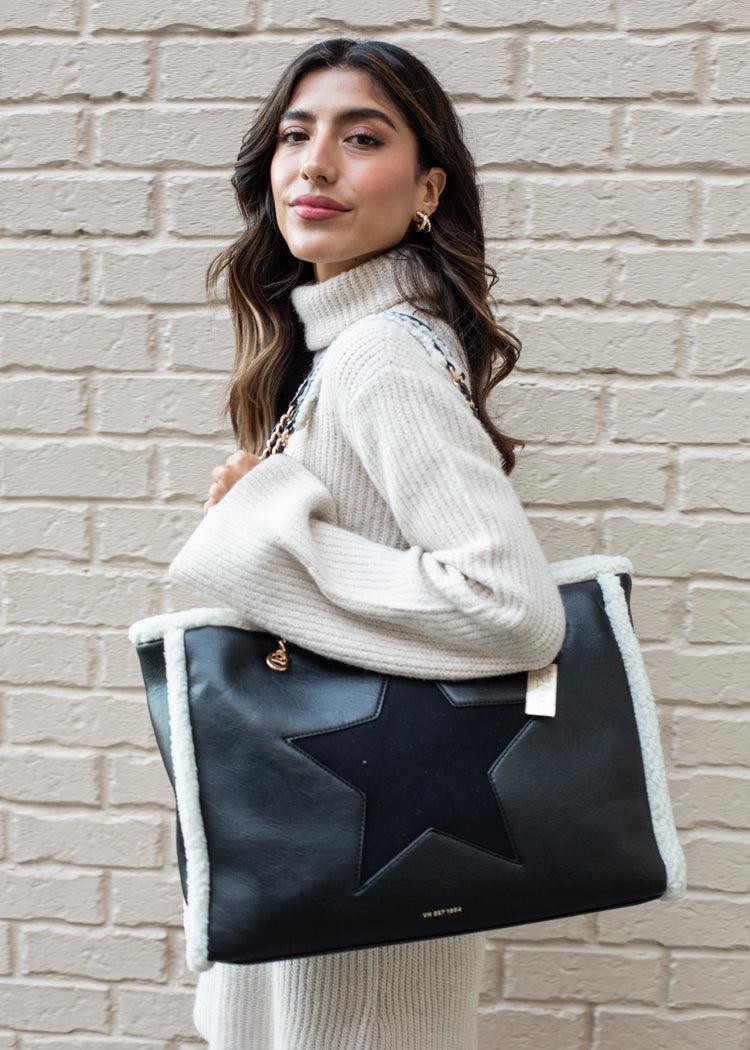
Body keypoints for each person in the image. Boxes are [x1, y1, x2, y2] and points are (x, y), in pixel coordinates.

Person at [167, 36, 567, 1050]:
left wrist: (266, 538)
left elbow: (510, 607)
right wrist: (269, 505)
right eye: (296, 135)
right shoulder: (341, 351)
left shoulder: (381, 356)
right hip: (344, 838)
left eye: (362, 137)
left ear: (426, 186)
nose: (316, 164)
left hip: (358, 881)